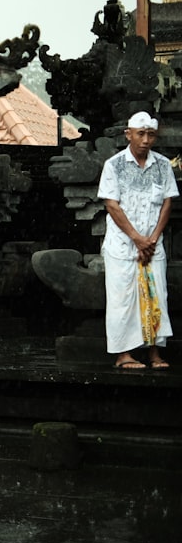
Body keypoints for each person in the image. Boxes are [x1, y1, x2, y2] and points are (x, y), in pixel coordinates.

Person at [98, 111, 177, 370]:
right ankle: (123, 355)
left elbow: (167, 203)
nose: (145, 140)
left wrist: (151, 239)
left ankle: (154, 354)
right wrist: (137, 239)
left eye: (151, 134)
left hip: (153, 245)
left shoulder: (163, 165)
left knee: (155, 296)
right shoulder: (114, 164)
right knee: (123, 298)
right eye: (140, 134)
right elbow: (112, 205)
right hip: (123, 245)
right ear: (128, 134)